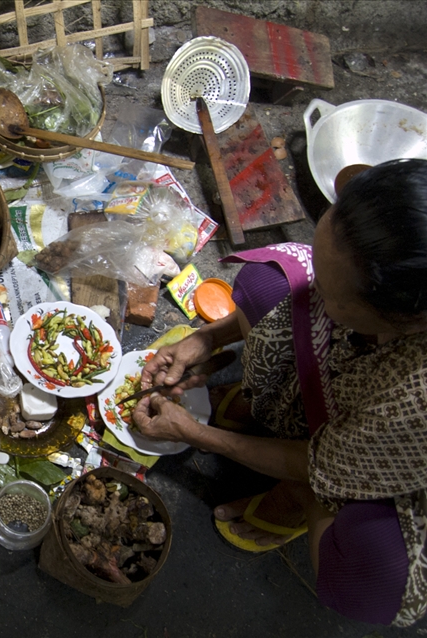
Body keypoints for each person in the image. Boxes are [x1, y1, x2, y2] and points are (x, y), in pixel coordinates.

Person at [132, 158, 427, 627]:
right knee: (268, 282)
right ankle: (266, 410)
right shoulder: (402, 235)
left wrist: (193, 433)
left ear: (407, 318)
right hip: (363, 377)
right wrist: (208, 338)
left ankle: (301, 502)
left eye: (332, 299)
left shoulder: (414, 398)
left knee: (368, 577)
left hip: (393, 460)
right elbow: (310, 289)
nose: (317, 299)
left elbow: (317, 461)